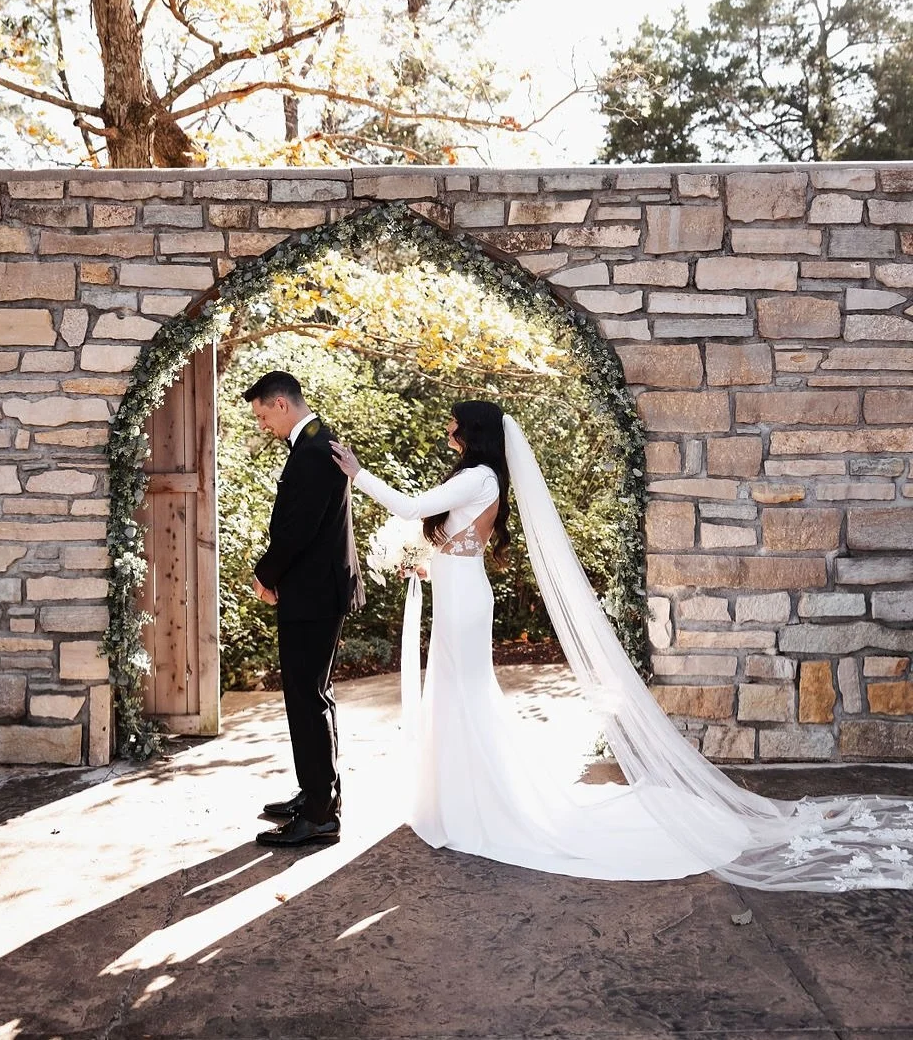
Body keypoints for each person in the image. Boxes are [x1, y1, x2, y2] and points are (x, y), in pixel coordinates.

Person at [332, 401, 913, 893]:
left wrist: (359, 473)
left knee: (464, 693)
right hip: (458, 589)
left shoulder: (480, 476)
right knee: (457, 693)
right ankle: (460, 797)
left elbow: (412, 508)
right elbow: (457, 539)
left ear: (474, 432)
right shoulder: (475, 478)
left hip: (465, 600)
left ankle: (477, 803)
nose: (449, 433)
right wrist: (431, 564)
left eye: (455, 425)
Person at [245, 371, 364, 848]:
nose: (261, 426)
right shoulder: (316, 440)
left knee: (306, 697)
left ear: (279, 403)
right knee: (312, 694)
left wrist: (265, 575)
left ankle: (319, 814)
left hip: (313, 594)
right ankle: (318, 793)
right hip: (315, 591)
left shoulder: (314, 449)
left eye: (260, 415)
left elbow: (297, 529)